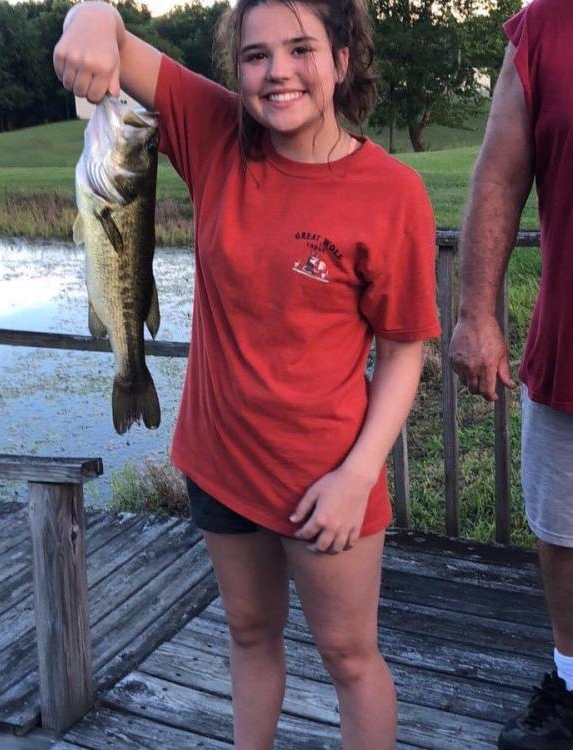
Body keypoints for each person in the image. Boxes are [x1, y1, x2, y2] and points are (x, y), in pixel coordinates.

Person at [54, 1, 439, 747]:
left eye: (302, 49)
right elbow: (110, 33)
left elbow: (402, 353)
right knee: (248, 630)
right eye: (257, 55)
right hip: (217, 458)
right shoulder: (216, 132)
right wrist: (91, 18)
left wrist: (358, 477)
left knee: (349, 657)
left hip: (326, 478)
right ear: (238, 68)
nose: (278, 72)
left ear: (344, 58)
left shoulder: (393, 194)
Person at [448, 1, 573, 748]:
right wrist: (476, 313)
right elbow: (497, 178)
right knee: (563, 531)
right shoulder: (547, 25)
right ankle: (572, 681)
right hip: (570, 348)